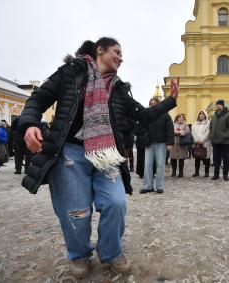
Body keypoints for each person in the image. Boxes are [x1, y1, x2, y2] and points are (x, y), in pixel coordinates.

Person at [18, 37, 179, 279]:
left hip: (106, 154)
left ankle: (111, 251)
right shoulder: (71, 72)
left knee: (116, 202)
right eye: (117, 52)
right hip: (70, 152)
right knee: (76, 211)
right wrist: (30, 124)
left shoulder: (119, 88)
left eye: (122, 54)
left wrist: (171, 100)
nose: (121, 58)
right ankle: (79, 254)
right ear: (100, 50)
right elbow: (38, 99)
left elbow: (143, 115)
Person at [141, 97, 174, 194]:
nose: (152, 105)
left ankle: (159, 186)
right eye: (151, 104)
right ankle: (148, 186)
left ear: (158, 104)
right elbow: (141, 128)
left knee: (160, 166)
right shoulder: (147, 115)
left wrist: (170, 143)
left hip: (161, 143)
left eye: (154, 103)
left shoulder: (165, 115)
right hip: (149, 144)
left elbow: (170, 129)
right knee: (147, 165)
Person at [209, 100, 229, 181]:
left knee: (225, 159)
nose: (218, 106)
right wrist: (211, 135)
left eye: (219, 104)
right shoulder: (214, 115)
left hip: (224, 141)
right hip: (215, 141)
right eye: (217, 105)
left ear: (223, 105)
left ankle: (225, 175)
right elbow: (211, 127)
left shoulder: (228, 114)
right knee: (216, 159)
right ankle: (216, 174)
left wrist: (225, 136)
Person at [191, 110, 211, 177]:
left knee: (206, 158)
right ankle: (196, 172)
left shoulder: (208, 123)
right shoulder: (195, 123)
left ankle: (206, 172)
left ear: (205, 115)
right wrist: (196, 139)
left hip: (205, 143)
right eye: (200, 114)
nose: (201, 115)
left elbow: (208, 132)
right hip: (197, 143)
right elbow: (193, 131)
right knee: (197, 157)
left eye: (203, 114)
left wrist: (202, 140)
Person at [170, 113, 190, 178]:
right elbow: (170, 131)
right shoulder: (173, 124)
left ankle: (181, 172)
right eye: (179, 117)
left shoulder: (185, 125)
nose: (181, 118)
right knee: (173, 158)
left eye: (182, 117)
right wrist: (174, 132)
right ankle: (173, 172)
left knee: (181, 159)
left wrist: (180, 132)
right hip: (174, 143)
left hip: (182, 143)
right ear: (177, 118)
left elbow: (187, 132)